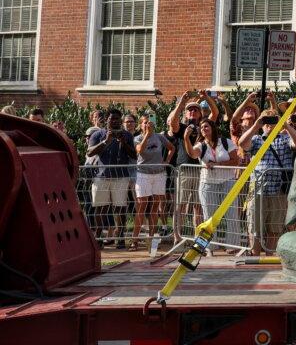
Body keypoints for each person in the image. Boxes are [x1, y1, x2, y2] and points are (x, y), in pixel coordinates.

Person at [238, 110, 296, 254]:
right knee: (255, 228)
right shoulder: (256, 139)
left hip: (278, 190)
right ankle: (255, 257)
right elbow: (242, 143)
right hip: (257, 189)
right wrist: (256, 125)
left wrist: (285, 125)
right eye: (266, 121)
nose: (269, 124)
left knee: (274, 228)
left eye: (272, 121)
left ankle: (269, 257)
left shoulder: (285, 139)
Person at [168, 91, 219, 242]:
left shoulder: (204, 127)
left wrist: (207, 98)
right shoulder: (182, 127)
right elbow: (172, 122)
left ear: (200, 113)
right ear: (186, 113)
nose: (192, 112)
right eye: (190, 110)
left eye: (195, 109)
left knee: (198, 206)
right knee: (181, 204)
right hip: (184, 169)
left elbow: (215, 113)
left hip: (201, 169)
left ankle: (198, 238)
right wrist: (182, 102)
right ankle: (177, 236)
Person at [182, 119, 241, 249]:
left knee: (231, 214)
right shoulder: (201, 145)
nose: (204, 129)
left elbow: (235, 161)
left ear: (213, 128)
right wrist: (186, 138)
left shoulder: (226, 142)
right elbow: (192, 154)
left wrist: (218, 165)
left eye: (206, 126)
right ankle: (209, 247)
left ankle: (233, 246)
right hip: (207, 183)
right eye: (202, 127)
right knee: (209, 216)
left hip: (228, 181)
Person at [85, 109, 137, 248]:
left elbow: (134, 155)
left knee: (120, 208)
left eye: (117, 119)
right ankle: (98, 237)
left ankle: (120, 237)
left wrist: (124, 143)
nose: (114, 121)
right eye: (111, 119)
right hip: (101, 176)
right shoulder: (97, 134)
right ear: (106, 120)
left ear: (120, 121)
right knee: (100, 208)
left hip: (121, 177)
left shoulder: (126, 135)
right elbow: (89, 152)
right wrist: (105, 142)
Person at [131, 114, 175, 250]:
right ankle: (135, 239)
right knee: (141, 206)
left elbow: (172, 148)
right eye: (144, 123)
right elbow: (139, 150)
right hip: (143, 175)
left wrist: (166, 162)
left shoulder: (159, 137)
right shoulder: (137, 138)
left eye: (149, 123)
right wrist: (147, 135)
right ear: (140, 125)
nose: (147, 125)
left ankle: (151, 239)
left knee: (155, 207)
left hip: (159, 175)